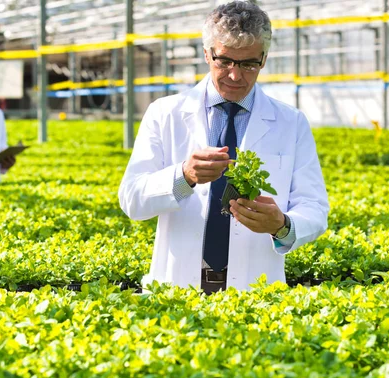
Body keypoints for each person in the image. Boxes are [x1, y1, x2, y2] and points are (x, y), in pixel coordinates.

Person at [119, 1, 329, 294]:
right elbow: (132, 201)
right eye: (225, 61)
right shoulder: (164, 113)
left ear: (264, 59)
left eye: (248, 64)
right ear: (207, 53)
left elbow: (315, 207)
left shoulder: (290, 122)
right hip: (175, 289)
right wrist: (183, 176)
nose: (235, 75)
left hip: (256, 291)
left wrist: (282, 225)